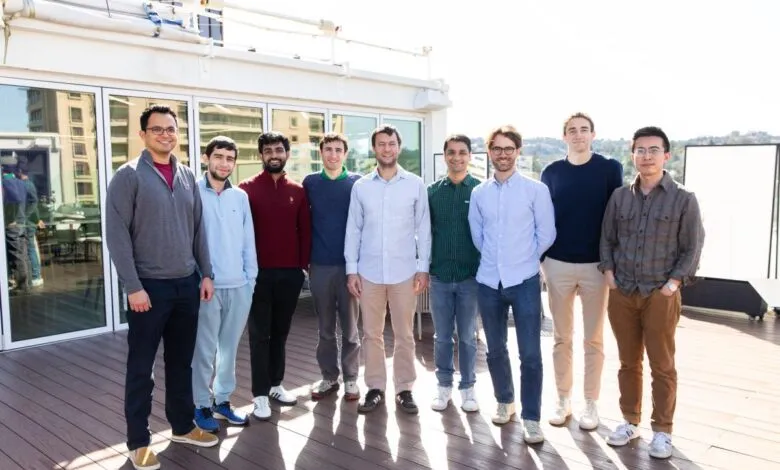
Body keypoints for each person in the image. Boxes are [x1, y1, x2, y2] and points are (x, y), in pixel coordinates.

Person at [105, 105, 218, 470]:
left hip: (186, 285)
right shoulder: (128, 176)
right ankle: (138, 442)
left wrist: (206, 273)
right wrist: (132, 286)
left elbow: (199, 229)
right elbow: (117, 235)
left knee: (181, 363)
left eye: (171, 129)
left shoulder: (187, 175)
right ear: (143, 135)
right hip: (148, 289)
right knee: (141, 368)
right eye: (157, 129)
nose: (166, 134)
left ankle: (182, 426)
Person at [600, 126, 704, 459]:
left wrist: (672, 285)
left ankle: (663, 431)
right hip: (623, 291)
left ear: (666, 155)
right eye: (640, 150)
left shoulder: (684, 198)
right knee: (628, 362)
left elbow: (692, 247)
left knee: (662, 364)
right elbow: (607, 239)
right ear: (633, 155)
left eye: (653, 150)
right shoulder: (619, 197)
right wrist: (610, 275)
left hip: (660, 293)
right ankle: (630, 422)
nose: (647, 156)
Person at [468, 125, 555, 443]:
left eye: (509, 148)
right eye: (497, 148)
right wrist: (498, 261)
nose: (503, 154)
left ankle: (532, 418)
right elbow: (478, 236)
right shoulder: (479, 193)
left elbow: (546, 234)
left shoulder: (535, 190)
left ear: (518, 151)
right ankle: (505, 402)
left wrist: (522, 261)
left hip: (525, 281)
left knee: (530, 354)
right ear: (489, 152)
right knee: (495, 350)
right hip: (489, 281)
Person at [540, 113, 623, 430]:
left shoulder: (609, 169)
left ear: (593, 134)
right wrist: (543, 259)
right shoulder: (552, 172)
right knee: (561, 338)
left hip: (596, 267)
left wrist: (611, 263)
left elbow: (616, 218)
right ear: (564, 136)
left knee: (593, 339)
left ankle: (591, 403)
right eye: (572, 130)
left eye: (583, 130)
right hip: (557, 264)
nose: (578, 135)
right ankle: (563, 399)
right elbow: (545, 217)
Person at [345, 124, 431, 415]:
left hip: (405, 271)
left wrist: (423, 268)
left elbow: (424, 229)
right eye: (381, 144)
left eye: (391, 143)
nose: (387, 148)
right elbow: (353, 230)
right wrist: (351, 269)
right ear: (374, 148)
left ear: (399, 146)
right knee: (371, 333)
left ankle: (404, 388)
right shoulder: (361, 187)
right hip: (368, 272)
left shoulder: (415, 184)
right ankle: (375, 388)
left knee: (405, 334)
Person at [239, 131, 311, 420]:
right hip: (257, 275)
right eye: (268, 150)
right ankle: (259, 395)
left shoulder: (298, 190)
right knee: (259, 335)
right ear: (260, 155)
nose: (273, 155)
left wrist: (302, 266)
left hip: (290, 274)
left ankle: (276, 385)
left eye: (279, 150)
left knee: (280, 333)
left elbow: (305, 231)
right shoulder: (246, 189)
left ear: (287, 154)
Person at [191, 136, 258, 432]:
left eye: (230, 158)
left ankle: (222, 401)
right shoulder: (191, 192)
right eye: (218, 156)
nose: (224, 163)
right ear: (207, 158)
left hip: (239, 286)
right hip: (207, 287)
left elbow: (248, 242)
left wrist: (250, 281)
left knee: (229, 349)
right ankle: (200, 405)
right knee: (204, 350)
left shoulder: (240, 197)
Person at [302, 133, 362, 401]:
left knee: (350, 327)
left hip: (350, 267)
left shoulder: (357, 183)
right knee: (325, 328)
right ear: (321, 152)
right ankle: (328, 377)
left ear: (345, 154)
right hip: (320, 265)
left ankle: (351, 378)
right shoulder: (311, 183)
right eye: (328, 149)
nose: (333, 154)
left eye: (338, 150)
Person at [427, 134, 481, 412]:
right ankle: (443, 385)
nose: (456, 157)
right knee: (442, 336)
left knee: (468, 336)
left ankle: (468, 387)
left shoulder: (481, 191)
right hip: (440, 277)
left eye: (462, 152)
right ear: (445, 156)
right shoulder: (432, 192)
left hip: (471, 277)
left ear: (470, 156)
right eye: (451, 152)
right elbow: (424, 234)